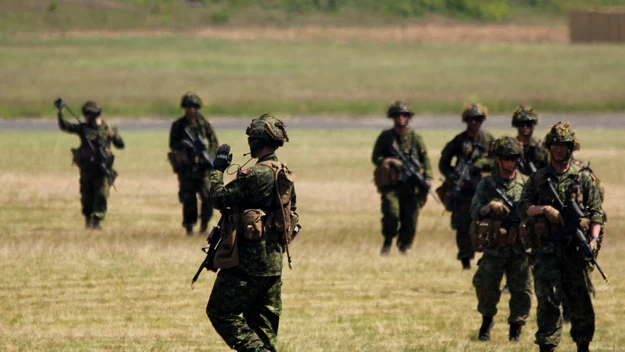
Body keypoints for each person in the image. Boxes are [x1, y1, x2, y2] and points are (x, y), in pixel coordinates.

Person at [206, 113, 297, 352]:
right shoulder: (284, 173)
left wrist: (217, 170)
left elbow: (219, 198)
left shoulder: (255, 175)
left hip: (247, 264)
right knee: (263, 331)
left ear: (256, 141)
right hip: (273, 264)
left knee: (219, 311)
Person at [517, 122, 604, 352]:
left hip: (575, 251)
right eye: (554, 145)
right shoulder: (538, 178)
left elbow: (596, 214)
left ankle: (583, 344)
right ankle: (547, 344)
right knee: (547, 301)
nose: (558, 149)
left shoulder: (583, 178)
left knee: (580, 301)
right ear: (548, 147)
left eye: (563, 145)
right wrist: (544, 210)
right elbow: (522, 207)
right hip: (546, 251)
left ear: (570, 147)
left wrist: (593, 240)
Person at [470, 136, 532, 342]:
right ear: (498, 159)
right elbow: (474, 210)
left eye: (514, 158)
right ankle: (487, 321)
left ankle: (516, 329)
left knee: (522, 290)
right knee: (486, 286)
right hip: (494, 247)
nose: (510, 162)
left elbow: (533, 210)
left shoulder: (525, 183)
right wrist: (489, 207)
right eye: (506, 158)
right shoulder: (488, 184)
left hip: (518, 248)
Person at [371, 101, 433, 255]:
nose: (401, 118)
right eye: (398, 115)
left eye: (404, 115)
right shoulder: (386, 137)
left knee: (410, 219)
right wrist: (390, 161)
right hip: (392, 185)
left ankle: (403, 247)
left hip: (411, 186)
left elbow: (424, 158)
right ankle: (388, 240)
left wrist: (428, 178)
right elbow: (375, 157)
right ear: (392, 117)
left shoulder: (415, 138)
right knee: (391, 213)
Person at [439, 103, 494, 269]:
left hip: (483, 189)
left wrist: (481, 164)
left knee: (486, 225)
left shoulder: (489, 140)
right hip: (464, 191)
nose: (474, 122)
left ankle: (487, 257)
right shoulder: (458, 141)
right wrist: (453, 177)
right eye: (471, 119)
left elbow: (499, 161)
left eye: (478, 119)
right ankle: (465, 260)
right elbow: (444, 163)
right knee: (463, 225)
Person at [57, 99, 125, 230]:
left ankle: (96, 221)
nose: (85, 117)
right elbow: (65, 126)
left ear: (94, 115)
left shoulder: (108, 128)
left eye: (88, 115)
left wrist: (113, 135)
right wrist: (60, 112)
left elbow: (121, 145)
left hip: (103, 169)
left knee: (101, 195)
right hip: (87, 169)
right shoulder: (83, 128)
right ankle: (88, 220)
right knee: (87, 196)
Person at [168, 92, 218, 235]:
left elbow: (214, 141)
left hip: (203, 167)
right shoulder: (178, 125)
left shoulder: (204, 124)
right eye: (188, 106)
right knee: (188, 198)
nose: (191, 109)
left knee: (208, 196)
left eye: (194, 106)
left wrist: (210, 155)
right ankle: (189, 227)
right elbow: (172, 143)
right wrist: (184, 145)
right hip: (187, 167)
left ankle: (204, 225)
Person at [511, 106, 548, 176]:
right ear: (516, 124)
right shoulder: (512, 146)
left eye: (528, 123)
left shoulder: (541, 147)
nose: (525, 127)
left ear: (533, 124)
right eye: (521, 124)